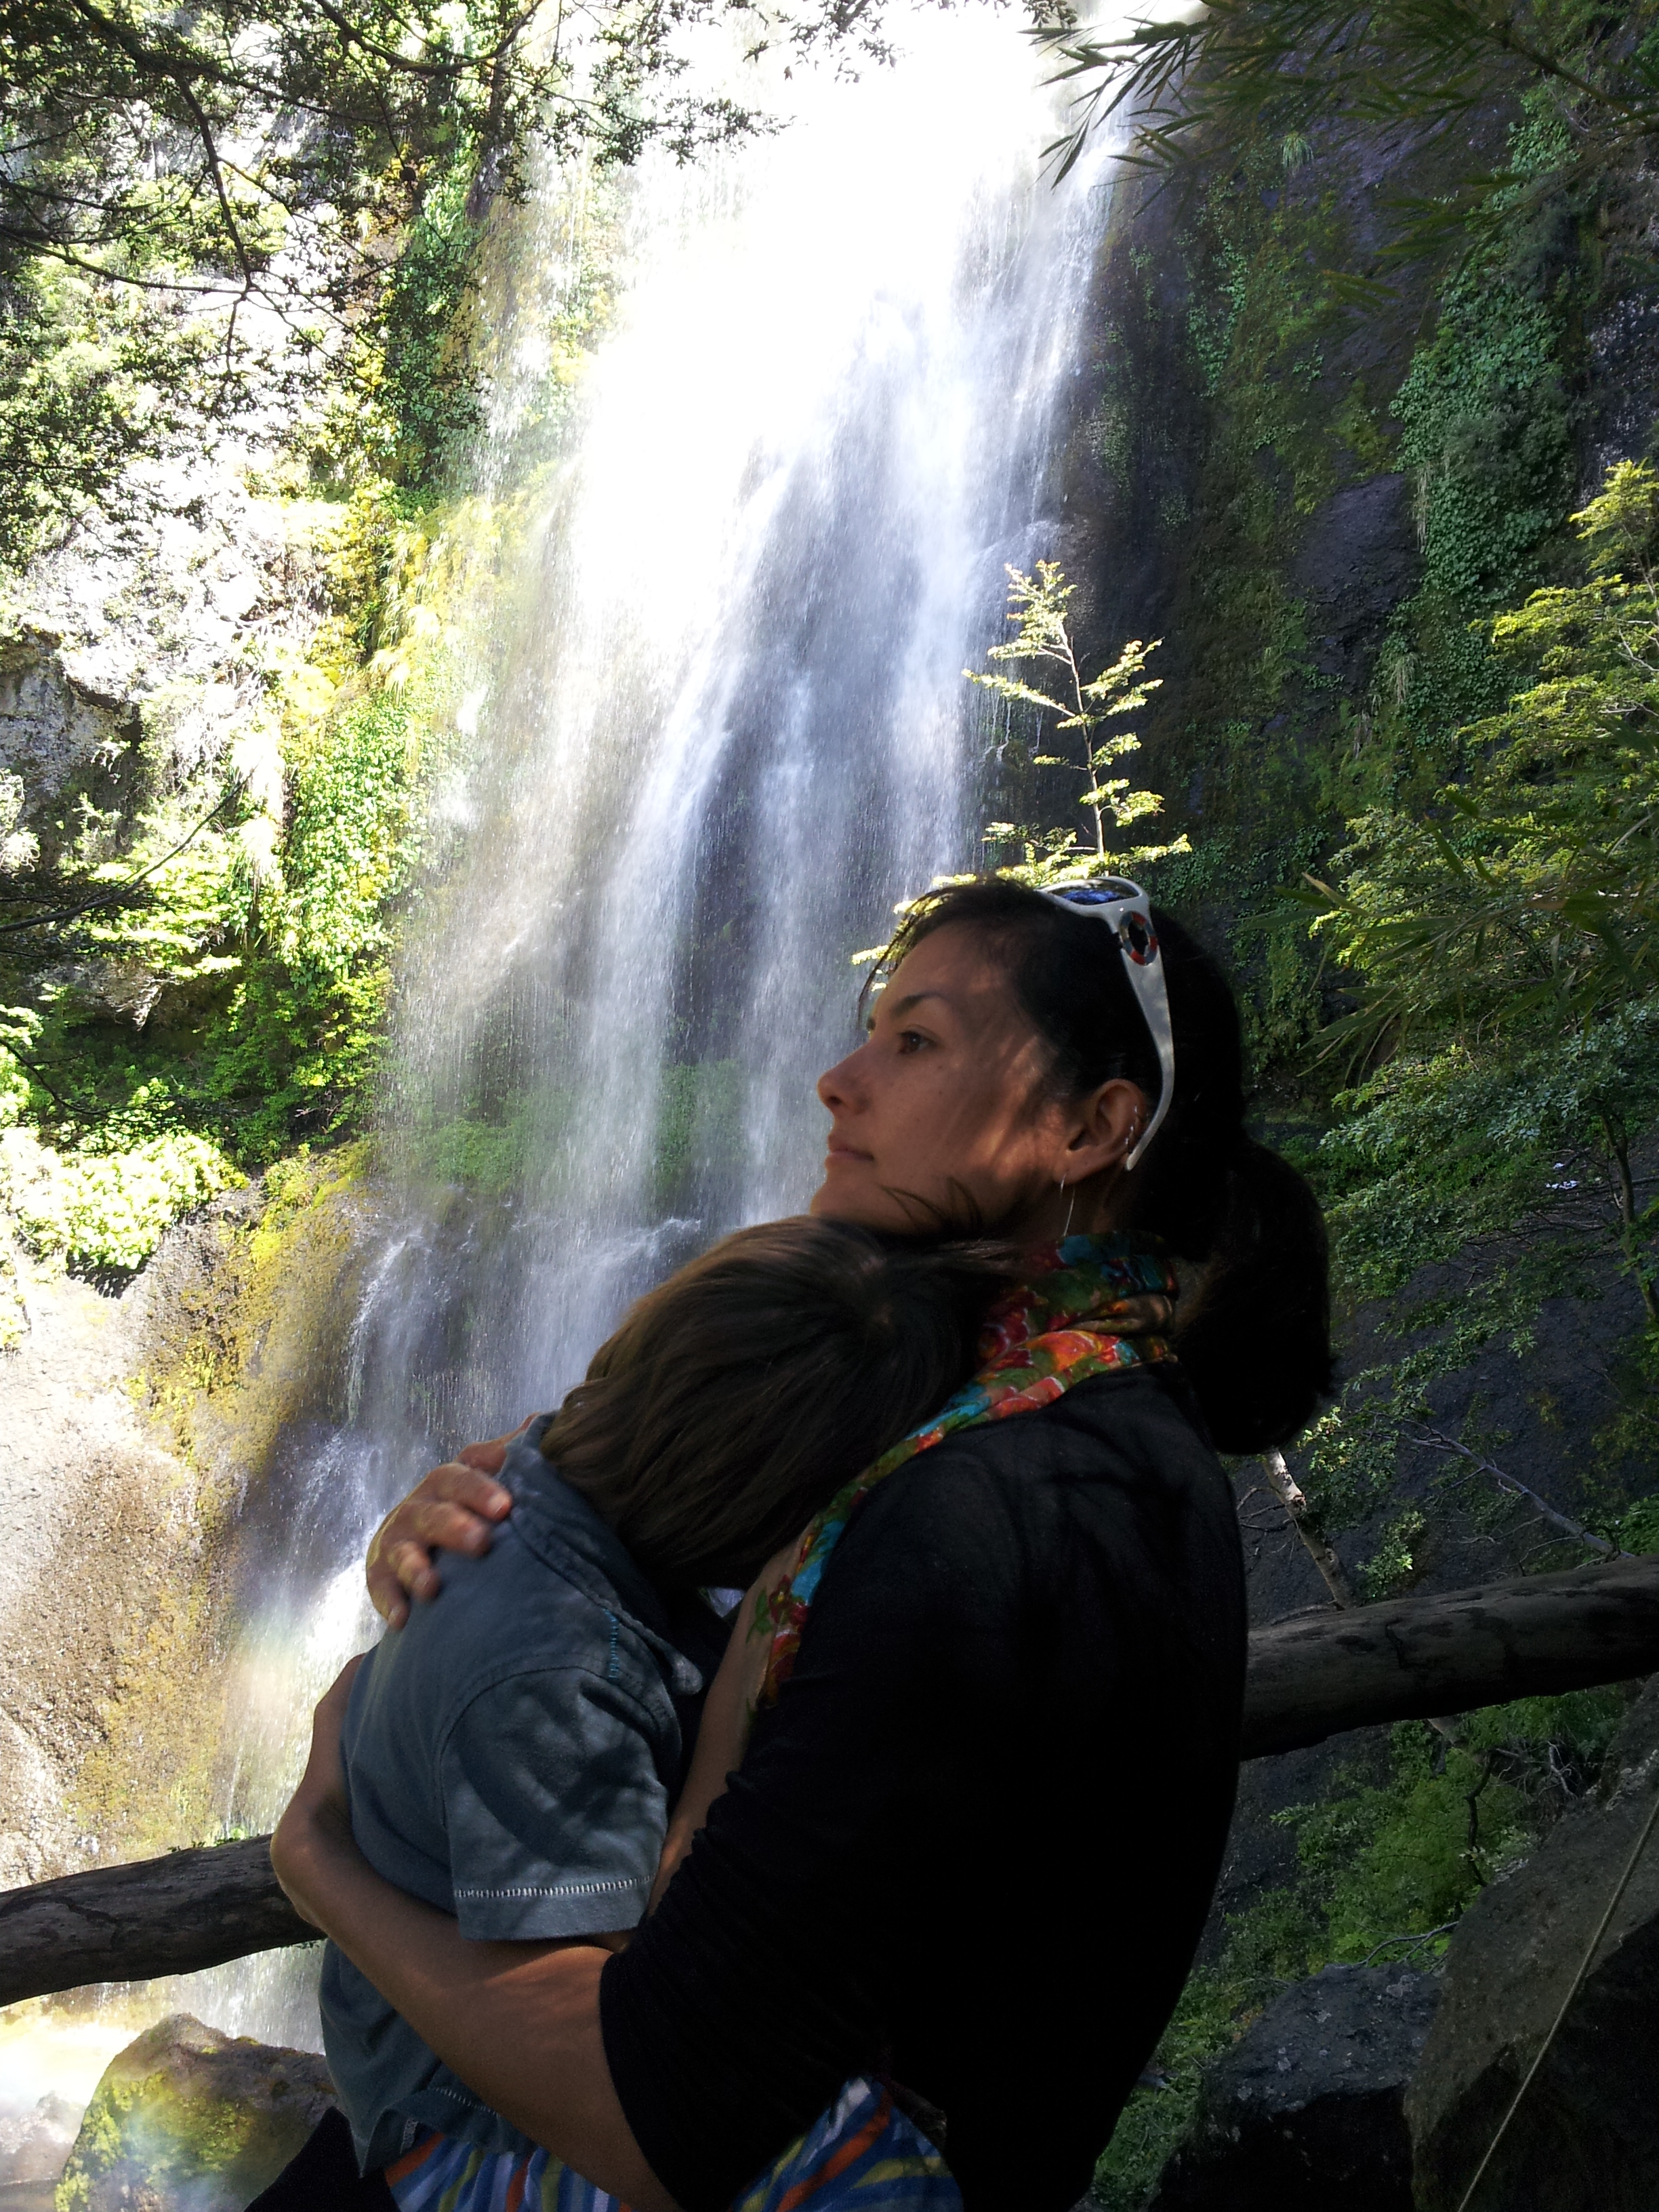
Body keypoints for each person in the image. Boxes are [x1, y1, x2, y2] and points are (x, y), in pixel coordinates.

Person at [273, 876, 1332, 2212]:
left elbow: (654, 2123)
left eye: (916, 1041)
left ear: (1091, 1127)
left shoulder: (1003, 1508)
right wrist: (497, 1517)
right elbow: (642, 1506)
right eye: (870, 1032)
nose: (836, 1082)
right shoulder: (1016, 1417)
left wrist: (322, 1866)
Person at [261, 1218, 1017, 2210]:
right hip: (466, 2128)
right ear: (764, 1517)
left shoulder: (543, 1481)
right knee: (879, 2182)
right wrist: (741, 1676)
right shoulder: (563, 1673)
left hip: (444, 2054)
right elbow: (618, 2033)